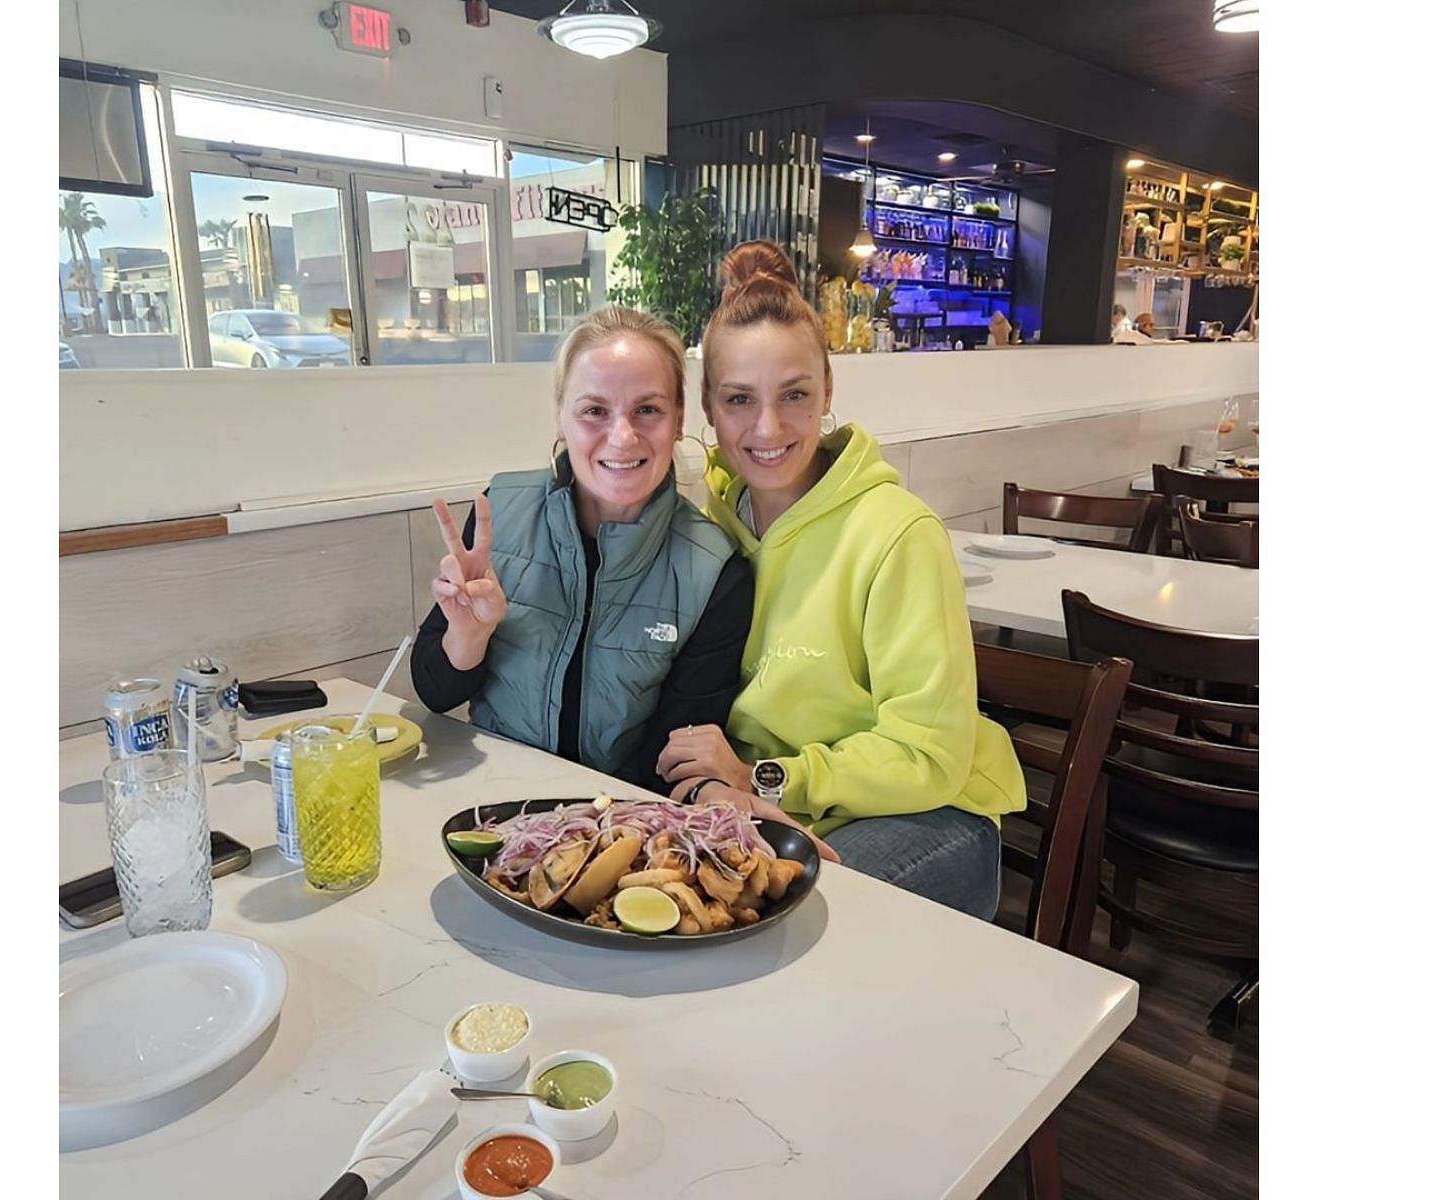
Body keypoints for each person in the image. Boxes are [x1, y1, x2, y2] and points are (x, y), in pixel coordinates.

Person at [656, 242, 1028, 918]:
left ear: (828, 391)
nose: (767, 427)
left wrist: (767, 779)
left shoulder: (898, 533)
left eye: (794, 395)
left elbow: (930, 755)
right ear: (707, 408)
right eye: (740, 399)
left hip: (932, 813)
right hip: (772, 803)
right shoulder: (708, 523)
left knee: (767, 913)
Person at [411, 305, 754, 797]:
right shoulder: (500, 514)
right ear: (561, 419)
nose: (622, 436)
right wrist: (469, 634)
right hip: (486, 802)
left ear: (678, 419)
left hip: (617, 825)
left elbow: (673, 757)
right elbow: (433, 692)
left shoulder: (714, 570)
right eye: (595, 411)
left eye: (648, 410)